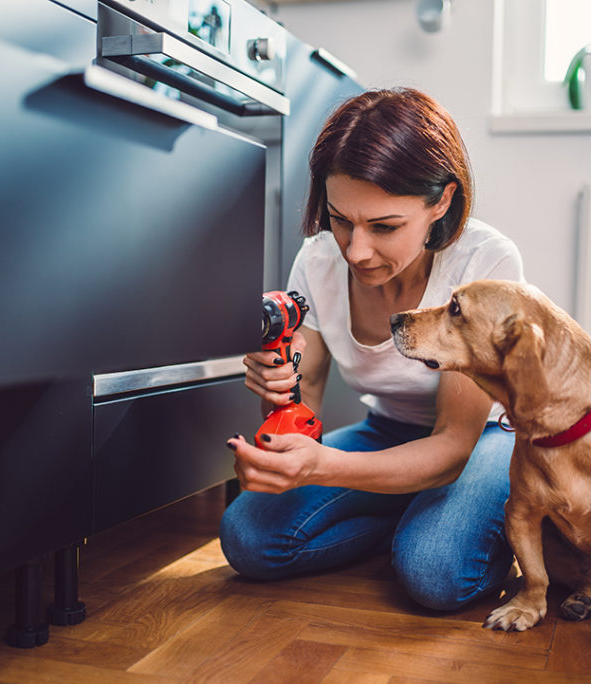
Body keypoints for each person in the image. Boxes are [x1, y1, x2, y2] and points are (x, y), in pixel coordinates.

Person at [221, 87, 524, 611]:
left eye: (385, 227)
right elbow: (303, 404)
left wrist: (321, 470)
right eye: (341, 219)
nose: (356, 251)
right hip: (386, 430)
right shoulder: (317, 261)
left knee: (435, 574)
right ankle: (411, 512)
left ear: (442, 202)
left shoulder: (484, 264)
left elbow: (453, 441)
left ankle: (454, 529)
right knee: (247, 536)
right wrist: (276, 393)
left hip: (485, 439)